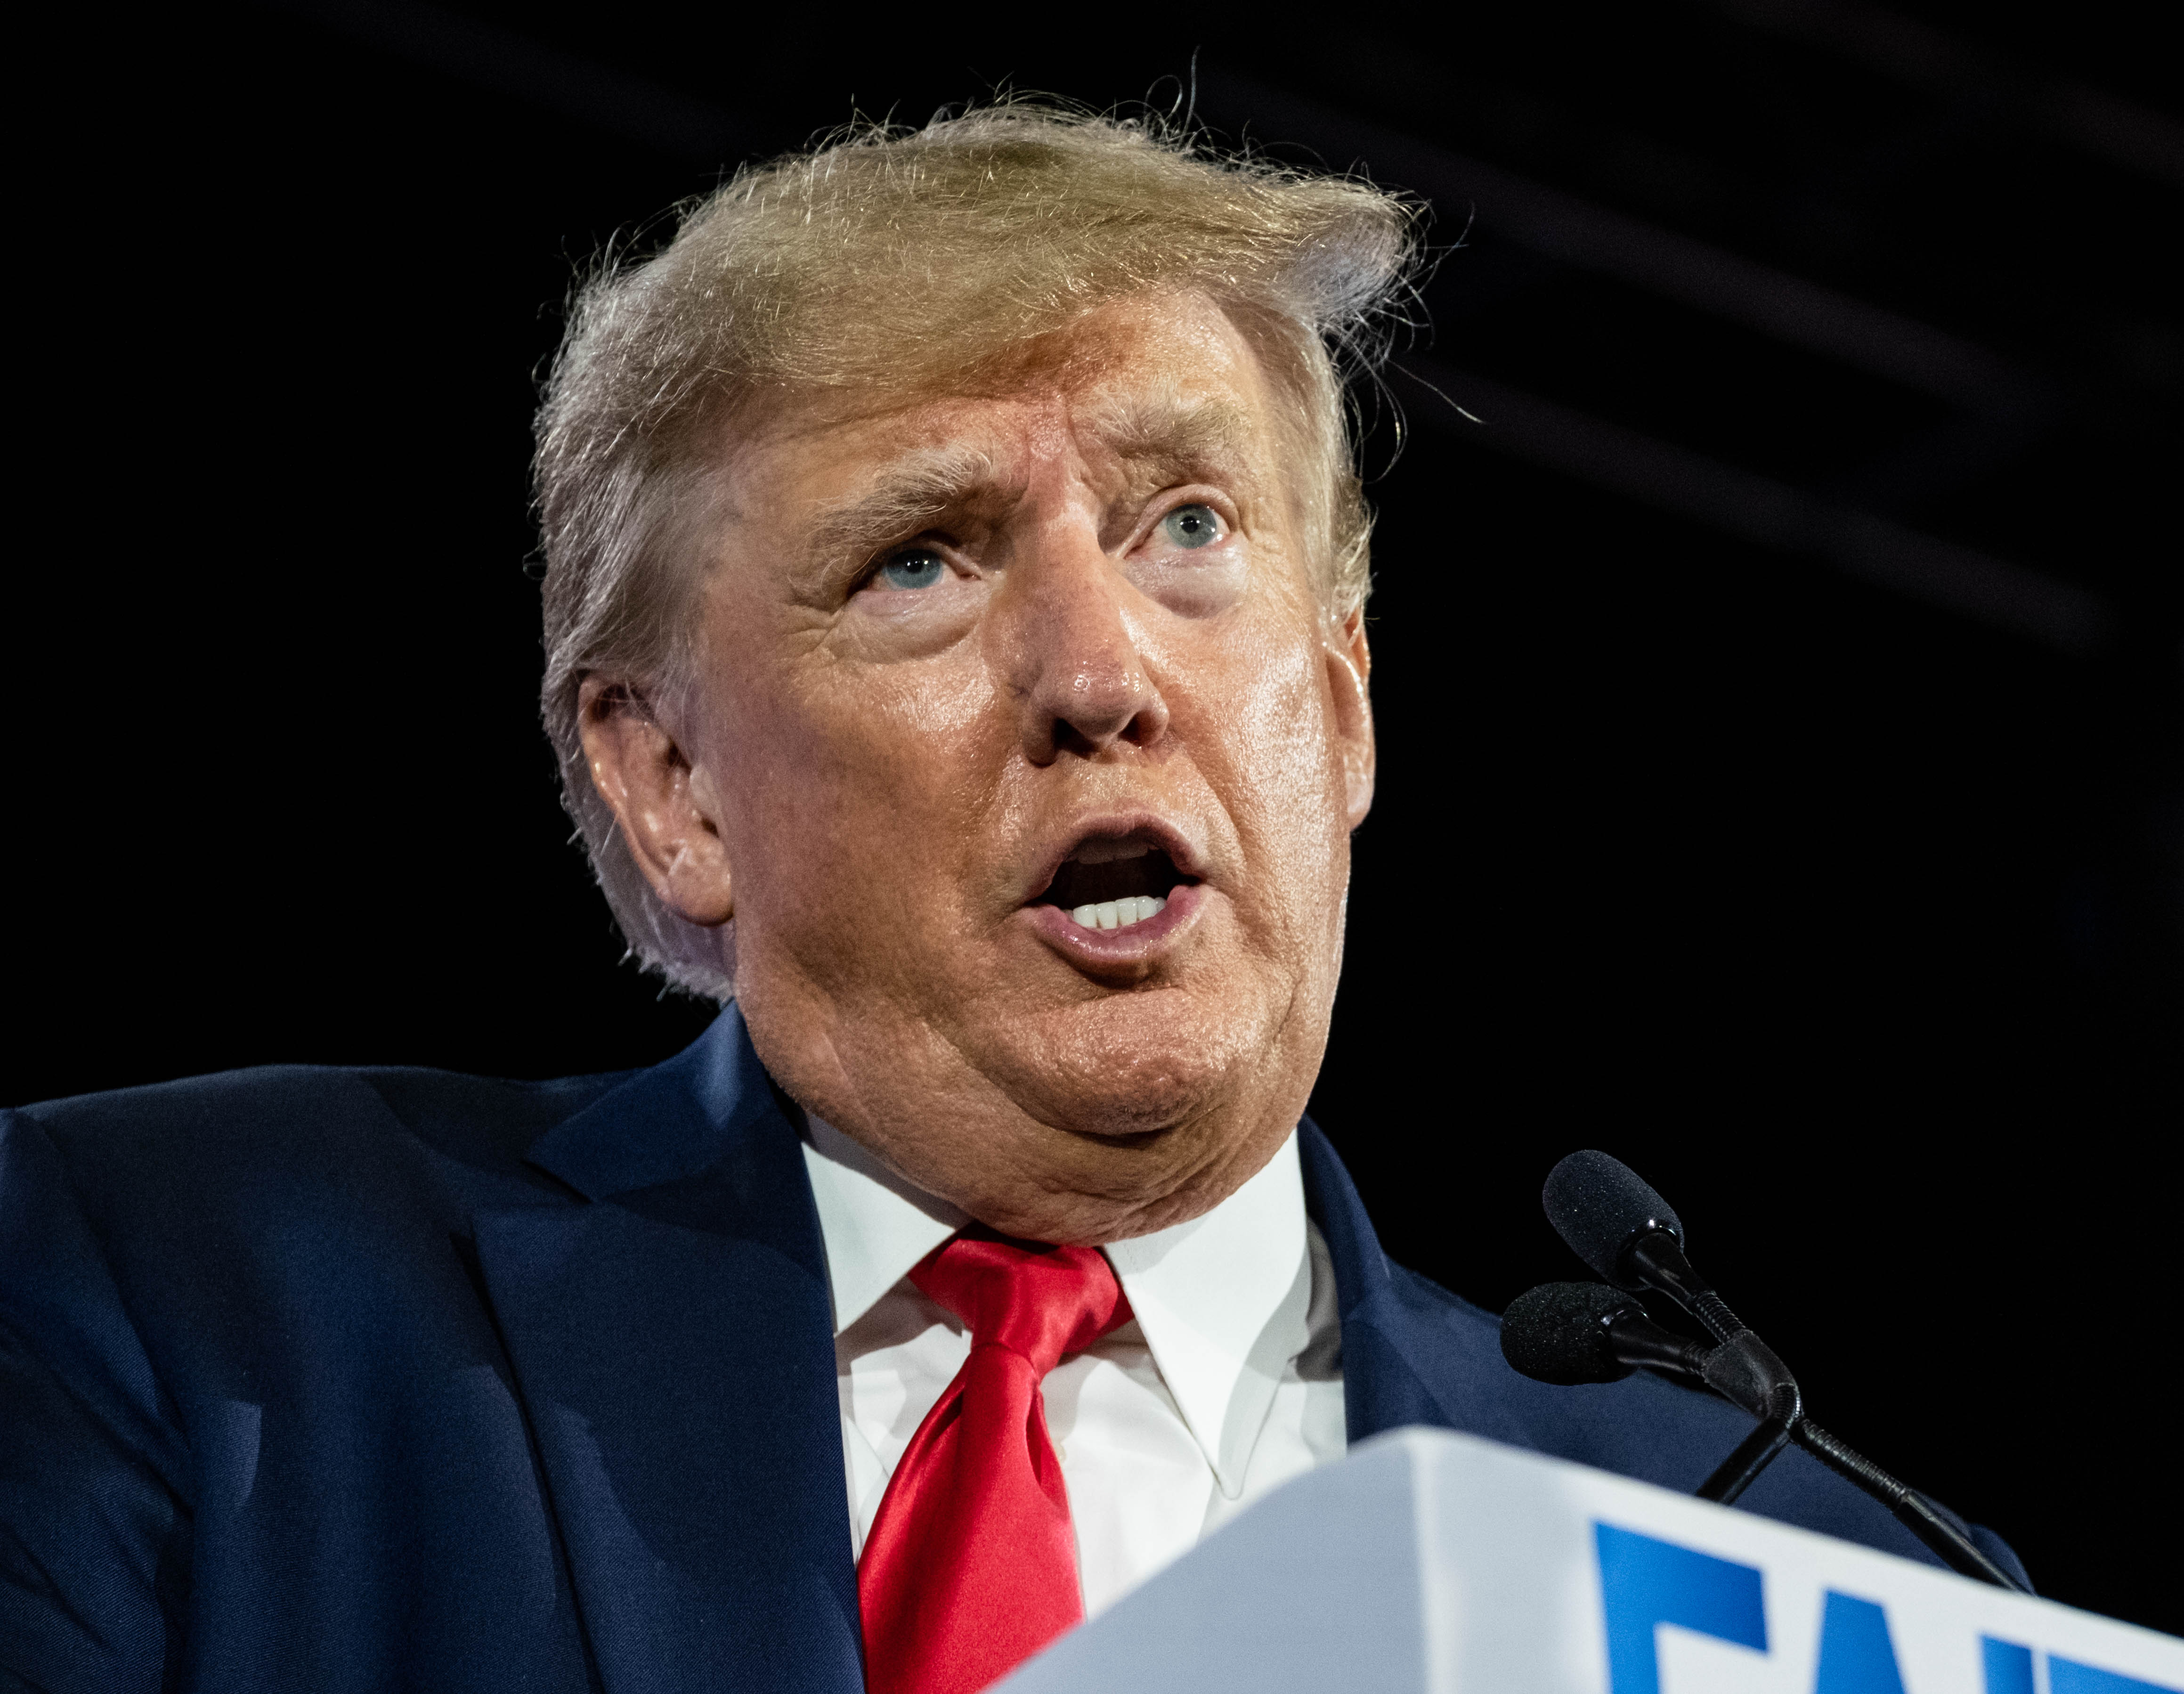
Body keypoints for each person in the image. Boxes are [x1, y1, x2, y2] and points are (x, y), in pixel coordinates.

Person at [0, 104, 2023, 1694]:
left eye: (1189, 527)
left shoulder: (1786, 1570)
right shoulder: (185, 1297)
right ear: (668, 779)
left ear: (1338, 706)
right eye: (923, 562)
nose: (1099, 670)